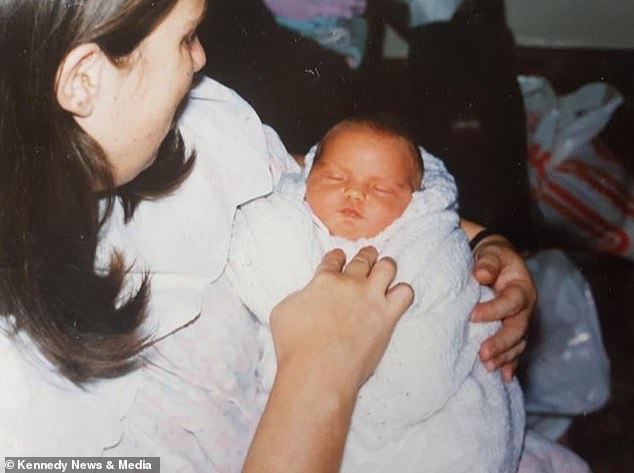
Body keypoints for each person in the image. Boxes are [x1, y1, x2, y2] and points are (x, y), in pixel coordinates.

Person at [0, 0, 535, 470]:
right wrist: (322, 372)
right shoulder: (22, 409)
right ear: (84, 79)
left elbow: (316, 185)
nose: (201, 56)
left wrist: (479, 243)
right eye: (186, 37)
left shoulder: (199, 121)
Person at [228, 115, 525, 472]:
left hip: (416, 415)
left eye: (381, 189)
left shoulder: (424, 243)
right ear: (307, 180)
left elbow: (431, 349)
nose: (354, 193)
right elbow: (261, 263)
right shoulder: (290, 218)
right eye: (335, 178)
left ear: (415, 204)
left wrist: (486, 240)